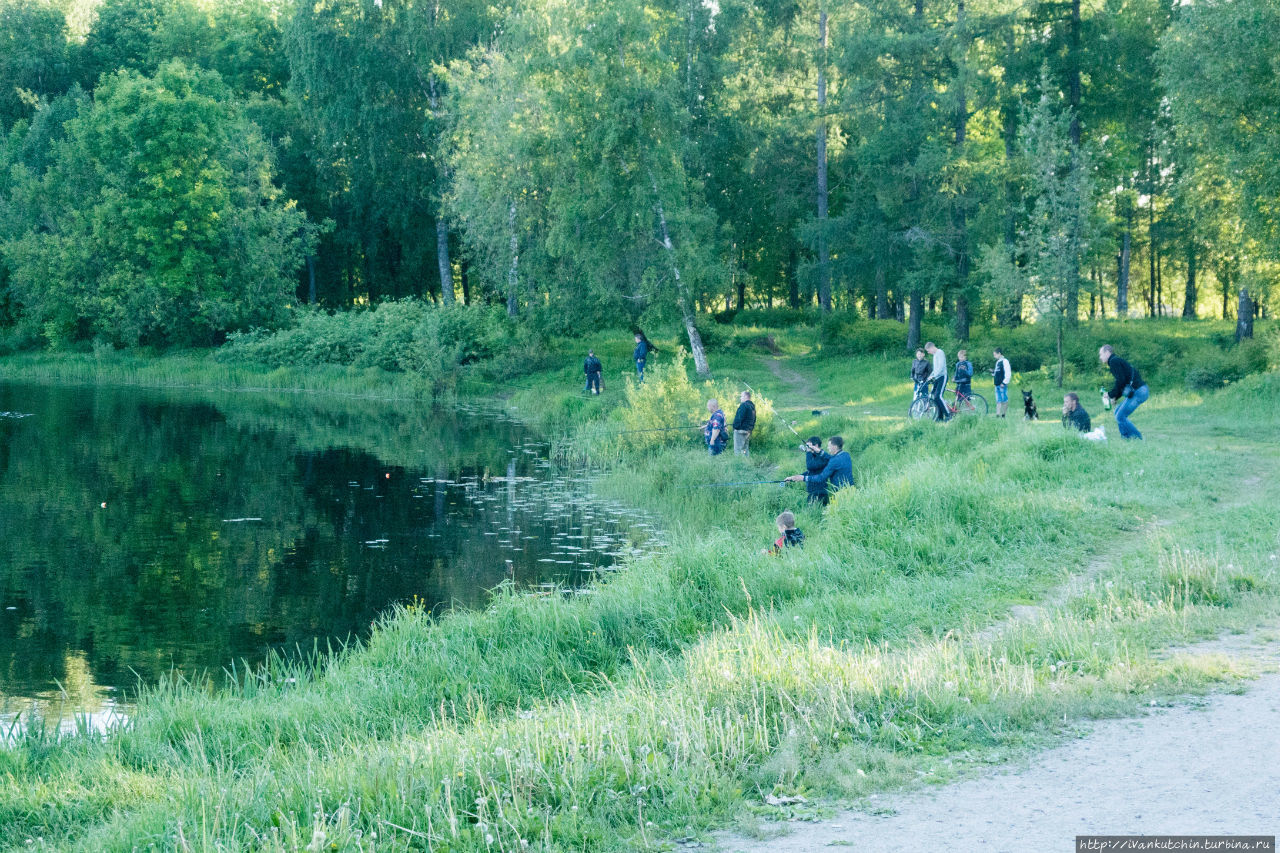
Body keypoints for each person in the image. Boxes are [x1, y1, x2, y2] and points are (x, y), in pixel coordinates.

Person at [1100, 345, 1149, 440]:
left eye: (1101, 354)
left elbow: (1121, 381)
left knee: (1120, 416)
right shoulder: (1115, 361)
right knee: (1117, 412)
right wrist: (1115, 397)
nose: (1100, 357)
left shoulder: (1114, 361)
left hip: (1139, 391)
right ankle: (1126, 438)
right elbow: (1123, 382)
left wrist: (1111, 395)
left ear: (1107, 352)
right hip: (1139, 390)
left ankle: (1138, 438)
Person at [785, 436, 853, 493]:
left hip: (841, 492)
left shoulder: (834, 461)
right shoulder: (845, 455)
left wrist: (803, 478)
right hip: (850, 489)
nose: (827, 448)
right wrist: (820, 452)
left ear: (834, 447)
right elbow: (832, 458)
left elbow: (821, 477)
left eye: (829, 446)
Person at [801, 435, 830, 506]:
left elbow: (810, 466)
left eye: (809, 446)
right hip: (813, 492)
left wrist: (808, 452)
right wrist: (794, 477)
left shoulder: (823, 458)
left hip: (819, 493)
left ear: (816, 445)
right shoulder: (815, 456)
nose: (807, 448)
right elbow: (811, 472)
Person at [924, 341, 949, 421]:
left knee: (938, 396)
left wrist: (933, 376)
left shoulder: (940, 352)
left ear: (931, 347)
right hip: (937, 377)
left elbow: (941, 367)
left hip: (942, 376)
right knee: (934, 397)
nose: (928, 352)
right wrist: (930, 376)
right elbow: (935, 370)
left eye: (928, 350)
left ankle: (948, 415)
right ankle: (940, 417)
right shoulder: (935, 355)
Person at [732, 390, 756, 455]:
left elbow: (739, 418)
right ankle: (746, 463)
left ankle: (739, 464)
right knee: (745, 450)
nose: (740, 398)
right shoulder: (752, 407)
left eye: (741, 396)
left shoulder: (744, 405)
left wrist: (735, 427)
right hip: (748, 431)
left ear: (746, 396)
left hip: (740, 431)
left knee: (738, 450)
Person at [992, 348, 1012, 417]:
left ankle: (1003, 414)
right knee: (998, 400)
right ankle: (997, 415)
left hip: (1002, 384)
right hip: (997, 384)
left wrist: (1004, 382)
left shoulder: (1005, 361)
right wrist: (992, 372)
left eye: (995, 355)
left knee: (1004, 400)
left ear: (999, 353)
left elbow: (1008, 373)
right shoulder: (997, 362)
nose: (994, 356)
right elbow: (996, 373)